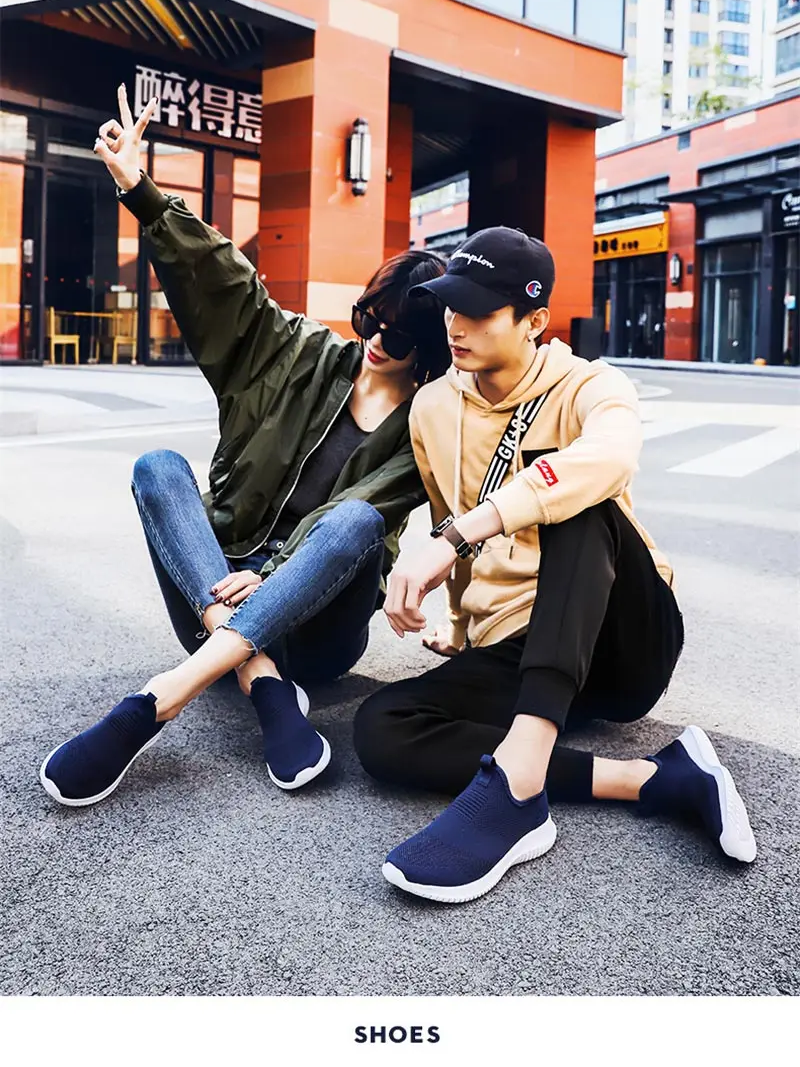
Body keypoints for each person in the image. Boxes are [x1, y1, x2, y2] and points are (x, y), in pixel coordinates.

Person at [39, 84, 450, 807]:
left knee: (355, 521)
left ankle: (163, 697)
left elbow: (364, 513)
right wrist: (142, 192)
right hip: (217, 589)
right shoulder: (298, 352)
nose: (380, 341)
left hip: (320, 630)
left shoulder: (429, 423)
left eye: (402, 335)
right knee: (158, 468)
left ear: (432, 348)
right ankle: (262, 681)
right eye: (372, 319)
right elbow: (228, 284)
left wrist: (276, 574)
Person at [353, 226, 758, 903]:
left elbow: (609, 458)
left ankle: (515, 793)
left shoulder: (590, 385)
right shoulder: (433, 407)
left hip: (620, 641)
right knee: (380, 728)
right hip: (519, 647)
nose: (456, 325)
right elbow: (448, 509)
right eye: (450, 306)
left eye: (478, 311)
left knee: (574, 496)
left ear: (534, 321)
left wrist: (457, 537)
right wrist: (459, 623)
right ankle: (654, 779)